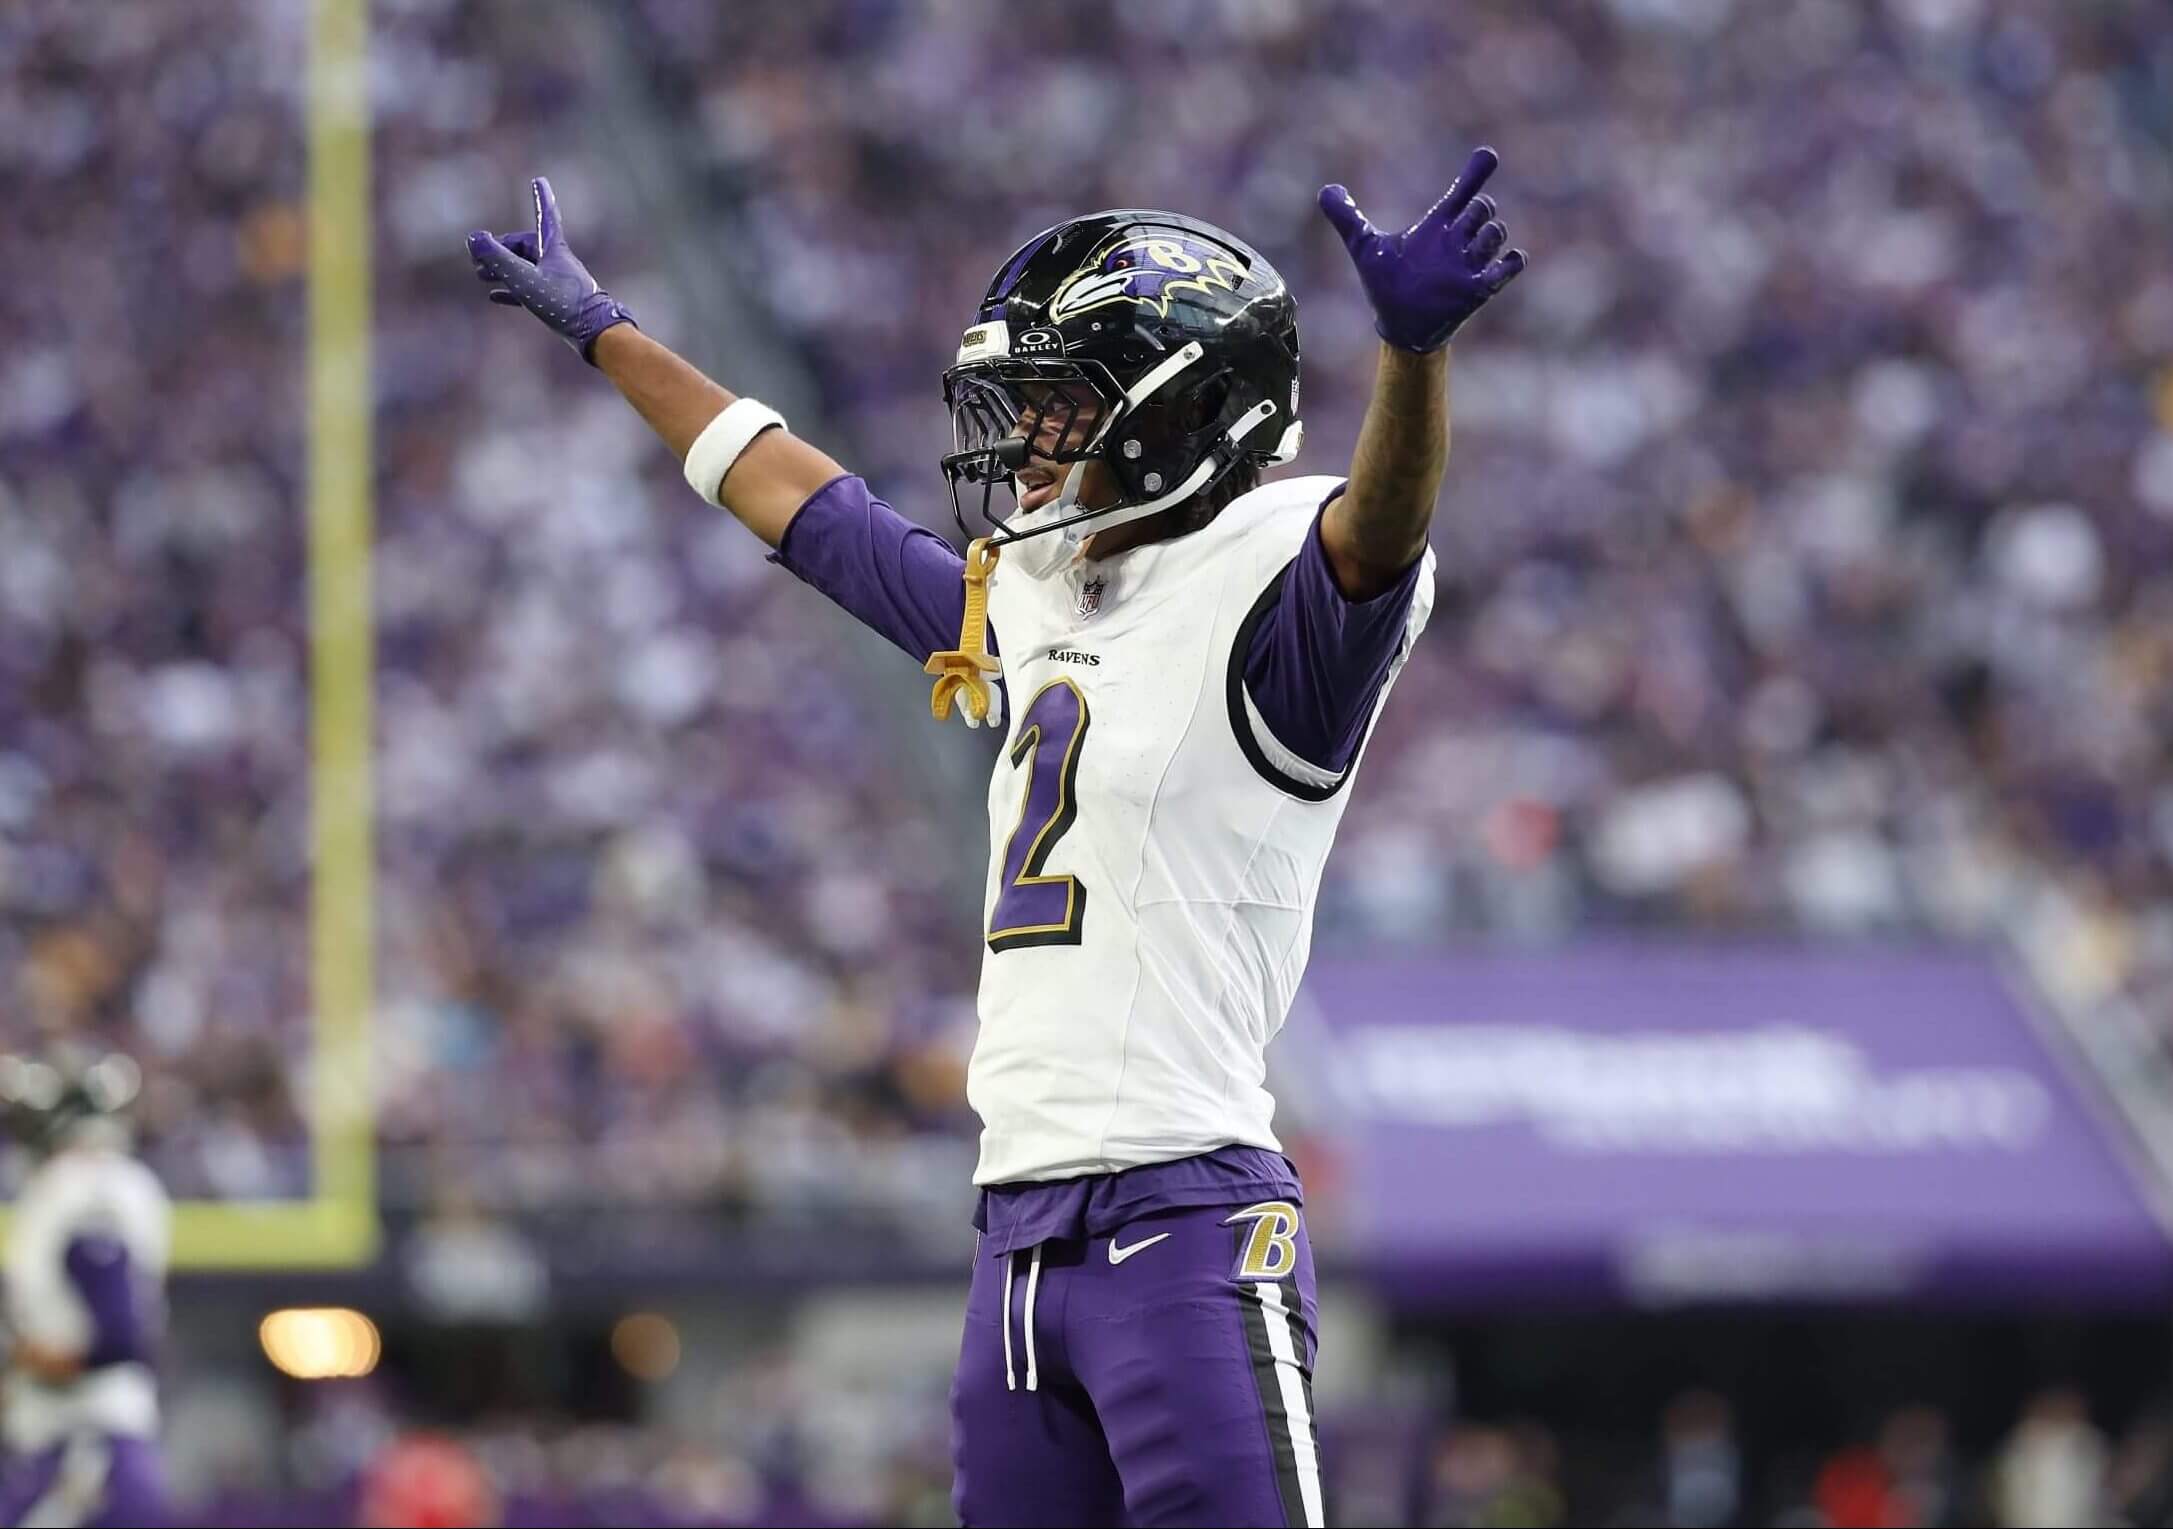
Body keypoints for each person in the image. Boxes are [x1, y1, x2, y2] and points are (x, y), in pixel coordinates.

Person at [468, 147, 1522, 1527]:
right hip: (1017, 1235)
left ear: (1178, 412)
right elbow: (817, 514)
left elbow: (1375, 534)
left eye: (1059, 405)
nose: (1021, 439)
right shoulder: (1039, 595)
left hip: (1185, 1218)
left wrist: (1410, 358)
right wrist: (610, 337)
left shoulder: (1275, 607)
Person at [0, 1054, 170, 1528]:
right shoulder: (124, 1186)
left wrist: (38, 1362)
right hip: (88, 1441)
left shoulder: (80, 1189)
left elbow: (117, 1336)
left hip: (86, 1450)